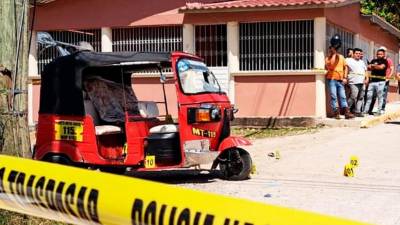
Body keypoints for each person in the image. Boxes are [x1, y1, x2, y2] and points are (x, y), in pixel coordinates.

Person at [325, 35, 354, 119]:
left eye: (333, 49)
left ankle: (346, 113)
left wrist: (345, 77)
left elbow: (346, 67)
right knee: (334, 96)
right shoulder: (328, 59)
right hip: (332, 80)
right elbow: (332, 64)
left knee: (343, 96)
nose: (331, 50)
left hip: (340, 80)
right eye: (330, 49)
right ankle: (336, 113)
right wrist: (334, 54)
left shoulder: (341, 57)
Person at [363, 49, 388, 116]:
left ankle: (379, 111)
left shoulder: (385, 61)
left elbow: (381, 67)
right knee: (368, 97)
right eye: (378, 54)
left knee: (380, 97)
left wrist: (373, 66)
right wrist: (373, 66)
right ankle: (365, 111)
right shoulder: (373, 60)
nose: (379, 55)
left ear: (383, 55)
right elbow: (368, 67)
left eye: (380, 54)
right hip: (372, 82)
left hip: (381, 82)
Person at [345, 48, 368, 117]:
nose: (358, 55)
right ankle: (347, 110)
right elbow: (345, 68)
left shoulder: (362, 62)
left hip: (362, 82)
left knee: (361, 97)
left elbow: (365, 71)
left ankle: (357, 111)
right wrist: (345, 78)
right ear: (353, 54)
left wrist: (367, 78)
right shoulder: (348, 60)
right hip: (353, 82)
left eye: (359, 54)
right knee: (353, 96)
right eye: (356, 53)